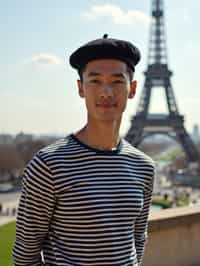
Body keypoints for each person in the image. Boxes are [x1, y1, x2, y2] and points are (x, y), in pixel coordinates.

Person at [13, 34, 155, 266]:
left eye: (117, 81)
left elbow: (138, 240)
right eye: (95, 81)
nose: (106, 92)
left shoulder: (144, 167)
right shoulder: (48, 165)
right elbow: (25, 255)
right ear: (81, 88)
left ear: (133, 88)